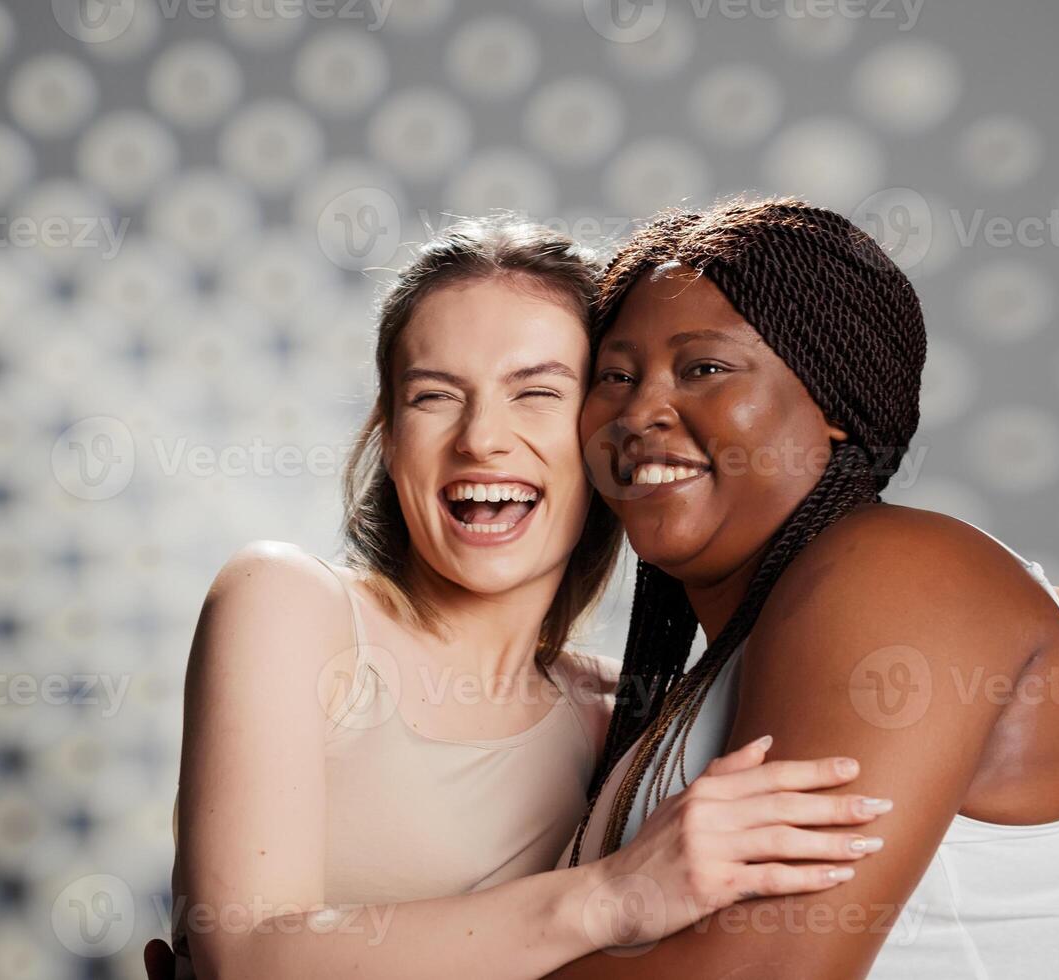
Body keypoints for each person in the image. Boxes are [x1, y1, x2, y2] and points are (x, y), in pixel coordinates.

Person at [158, 218, 895, 980]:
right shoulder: (291, 606)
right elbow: (243, 954)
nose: (482, 439)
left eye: (538, 392)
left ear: (606, 434)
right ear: (390, 436)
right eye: (435, 396)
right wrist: (612, 895)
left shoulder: (626, 720)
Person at [546, 198, 1059, 978]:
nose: (639, 410)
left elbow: (766, 973)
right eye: (615, 377)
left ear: (829, 402)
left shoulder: (901, 571)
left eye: (704, 369)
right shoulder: (713, 673)